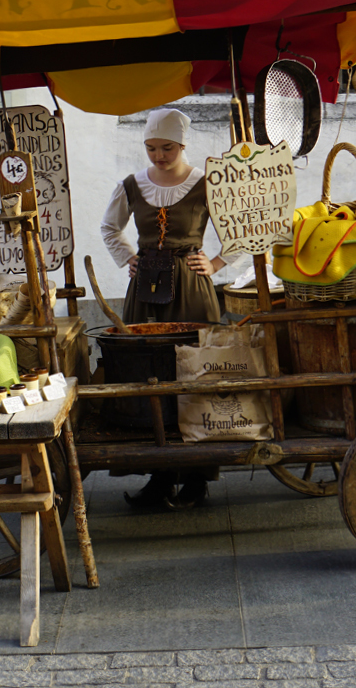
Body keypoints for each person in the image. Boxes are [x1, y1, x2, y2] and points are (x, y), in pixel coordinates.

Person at [100, 108, 231, 509]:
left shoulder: (205, 183)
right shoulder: (132, 185)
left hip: (191, 288)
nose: (158, 156)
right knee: (150, 376)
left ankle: (197, 478)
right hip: (147, 289)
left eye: (167, 148)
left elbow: (241, 231)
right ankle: (159, 475)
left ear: (182, 145)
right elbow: (110, 228)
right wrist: (127, 259)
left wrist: (215, 264)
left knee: (194, 372)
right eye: (152, 148)